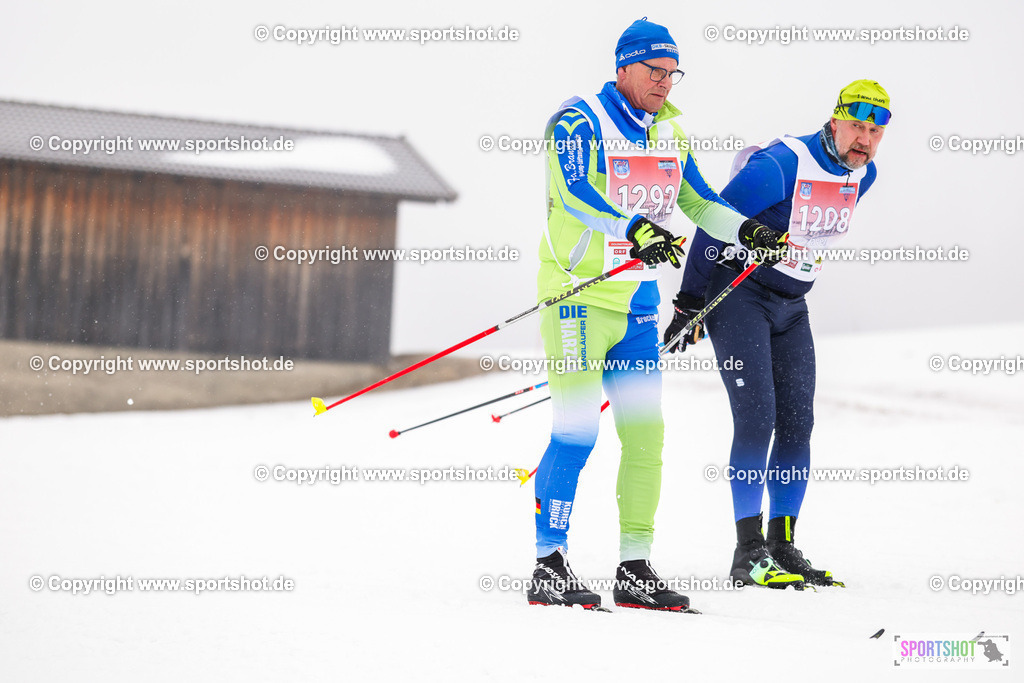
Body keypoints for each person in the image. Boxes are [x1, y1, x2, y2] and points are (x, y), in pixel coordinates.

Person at [528, 17, 778, 611]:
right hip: (579, 299)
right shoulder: (578, 119)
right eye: (653, 71)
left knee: (646, 437)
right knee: (577, 429)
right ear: (623, 67)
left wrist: (748, 230)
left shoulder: (670, 133)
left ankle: (634, 567)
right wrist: (632, 225)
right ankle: (548, 563)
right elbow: (573, 191)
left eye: (672, 73)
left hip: (637, 306)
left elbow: (696, 201)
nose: (665, 83)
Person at [664, 80, 890, 588]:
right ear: (833, 121)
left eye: (875, 132)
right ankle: (748, 553)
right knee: (757, 419)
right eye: (857, 126)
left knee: (797, 423)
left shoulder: (864, 175)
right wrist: (691, 302)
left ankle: (782, 544)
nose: (865, 141)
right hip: (740, 296)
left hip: (793, 305)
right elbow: (711, 221)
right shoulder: (782, 164)